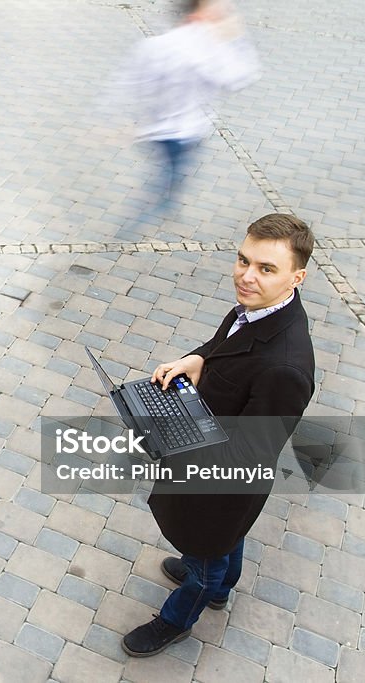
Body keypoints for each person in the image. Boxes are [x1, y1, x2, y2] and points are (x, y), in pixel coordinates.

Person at [122, 213, 316, 657]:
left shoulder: (285, 368)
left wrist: (169, 437)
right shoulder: (258, 308)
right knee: (226, 543)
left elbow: (249, 457)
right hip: (213, 473)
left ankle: (178, 617)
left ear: (296, 277)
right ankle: (219, 586)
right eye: (243, 260)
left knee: (207, 555)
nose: (247, 277)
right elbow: (225, 346)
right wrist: (196, 359)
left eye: (266, 269)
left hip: (220, 490)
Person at [108, 0, 259, 213]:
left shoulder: (156, 44)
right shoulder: (206, 50)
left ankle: (164, 202)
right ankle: (146, 217)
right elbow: (239, 78)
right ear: (199, 15)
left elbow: (132, 83)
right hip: (184, 133)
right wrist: (236, 37)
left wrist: (122, 119)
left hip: (155, 131)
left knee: (170, 174)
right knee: (168, 179)